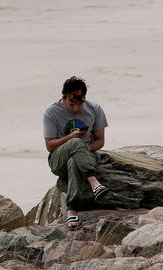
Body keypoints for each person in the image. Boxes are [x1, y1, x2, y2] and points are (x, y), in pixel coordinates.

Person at [43, 76, 109, 229]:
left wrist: (85, 149)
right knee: (74, 142)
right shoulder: (51, 112)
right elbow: (49, 145)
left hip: (86, 155)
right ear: (64, 97)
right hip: (58, 159)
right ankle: (94, 182)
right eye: (72, 103)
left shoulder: (95, 109)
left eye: (80, 104)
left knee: (75, 161)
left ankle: (72, 211)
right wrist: (71, 138)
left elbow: (100, 141)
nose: (76, 109)